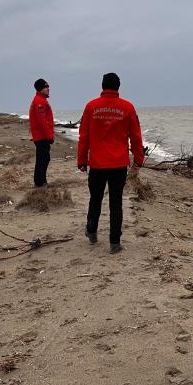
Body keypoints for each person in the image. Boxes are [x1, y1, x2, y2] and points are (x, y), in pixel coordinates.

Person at [77, 72, 144, 253]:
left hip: (97, 164)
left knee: (95, 199)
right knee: (116, 203)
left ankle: (92, 231)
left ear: (103, 86)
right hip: (118, 164)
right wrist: (138, 159)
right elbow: (136, 136)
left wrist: (82, 160)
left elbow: (84, 136)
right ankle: (115, 242)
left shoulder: (91, 106)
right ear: (118, 87)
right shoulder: (127, 107)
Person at [29, 78, 55, 187]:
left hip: (41, 136)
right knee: (43, 160)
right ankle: (39, 183)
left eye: (48, 86)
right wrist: (50, 136)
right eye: (46, 87)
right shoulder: (39, 101)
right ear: (40, 89)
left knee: (44, 159)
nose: (48, 89)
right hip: (41, 137)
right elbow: (42, 121)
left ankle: (42, 181)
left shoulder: (41, 100)